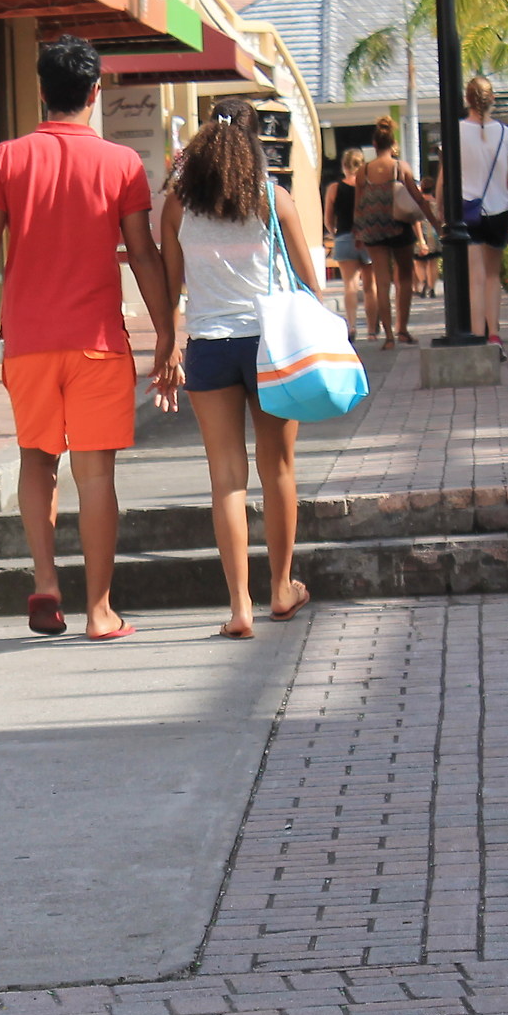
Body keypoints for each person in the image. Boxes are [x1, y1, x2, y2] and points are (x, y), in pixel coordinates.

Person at [0, 33, 174, 641]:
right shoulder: (121, 163)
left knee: (36, 459)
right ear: (95, 92)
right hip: (98, 339)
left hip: (27, 338)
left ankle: (46, 580)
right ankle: (100, 612)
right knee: (95, 474)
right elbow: (144, 254)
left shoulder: (6, 159)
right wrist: (167, 334)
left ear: (42, 91)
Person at [154, 99, 321, 642]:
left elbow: (171, 288)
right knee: (278, 468)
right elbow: (309, 282)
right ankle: (281, 588)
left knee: (226, 477)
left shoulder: (178, 208)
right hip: (271, 347)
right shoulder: (274, 199)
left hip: (209, 346)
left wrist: (170, 346)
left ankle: (239, 607)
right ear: (254, 145)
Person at [351, 116, 435, 348]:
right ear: (393, 144)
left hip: (373, 229)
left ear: (375, 145)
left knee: (382, 281)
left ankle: (388, 337)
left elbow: (358, 206)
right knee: (405, 279)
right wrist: (435, 223)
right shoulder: (401, 167)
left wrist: (357, 233)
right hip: (400, 228)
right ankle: (403, 330)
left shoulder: (364, 171)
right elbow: (418, 199)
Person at [459, 76, 508, 351]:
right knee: (493, 275)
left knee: (475, 276)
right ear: (492, 98)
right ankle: (494, 332)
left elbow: (447, 176)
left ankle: (476, 334)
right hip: (499, 209)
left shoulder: (456, 132)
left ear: (467, 100)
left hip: (468, 209)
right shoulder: (504, 133)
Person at [324, 147, 371, 340]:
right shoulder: (368, 186)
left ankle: (351, 326)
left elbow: (328, 218)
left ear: (344, 166)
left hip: (344, 236)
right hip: (368, 238)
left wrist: (334, 232)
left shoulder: (334, 188)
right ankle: (373, 330)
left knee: (349, 285)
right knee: (370, 287)